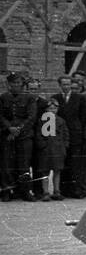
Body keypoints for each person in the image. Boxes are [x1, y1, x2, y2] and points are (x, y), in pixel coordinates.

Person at [1, 73, 39, 201]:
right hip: (7, 136)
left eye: (19, 83)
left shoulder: (29, 98)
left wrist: (18, 130)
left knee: (24, 164)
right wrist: (9, 128)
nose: (16, 85)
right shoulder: (3, 97)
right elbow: (1, 116)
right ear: (9, 84)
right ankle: (7, 190)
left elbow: (31, 116)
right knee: (7, 164)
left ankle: (25, 191)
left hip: (24, 136)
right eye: (14, 83)